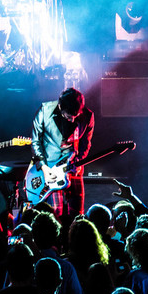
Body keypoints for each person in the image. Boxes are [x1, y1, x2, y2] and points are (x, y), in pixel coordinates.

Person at [30, 87, 94, 217]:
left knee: (77, 214)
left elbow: (85, 144)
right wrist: (43, 167)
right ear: (60, 107)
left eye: (76, 117)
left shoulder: (88, 116)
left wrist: (80, 161)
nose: (72, 120)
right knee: (55, 213)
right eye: (68, 116)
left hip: (73, 166)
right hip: (50, 167)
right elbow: (35, 142)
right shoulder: (45, 111)